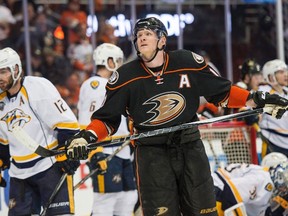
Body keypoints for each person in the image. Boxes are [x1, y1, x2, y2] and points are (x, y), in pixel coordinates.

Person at [64, 17, 288, 216]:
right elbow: (106, 119)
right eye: (139, 35)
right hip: (151, 154)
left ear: (162, 40)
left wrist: (259, 100)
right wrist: (87, 137)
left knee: (203, 210)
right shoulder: (124, 77)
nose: (142, 38)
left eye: (148, 34)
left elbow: (223, 92)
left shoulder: (187, 62)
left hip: (190, 146)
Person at [0, 47, 94, 215]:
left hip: (49, 167)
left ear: (16, 69)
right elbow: (3, 142)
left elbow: (67, 125)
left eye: (2, 72)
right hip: (18, 174)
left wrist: (67, 154)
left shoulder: (37, 87)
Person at [77, 43, 138, 216]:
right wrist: (95, 152)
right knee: (105, 200)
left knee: (128, 197)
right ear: (108, 61)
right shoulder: (95, 84)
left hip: (123, 150)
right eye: (117, 60)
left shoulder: (113, 85)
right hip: (106, 150)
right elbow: (86, 121)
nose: (120, 64)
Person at [212, 152, 288, 216]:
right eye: (284, 174)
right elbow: (230, 193)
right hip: (214, 191)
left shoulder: (264, 187)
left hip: (217, 193)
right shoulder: (264, 177)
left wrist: (280, 208)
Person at [259, 59, 288, 157]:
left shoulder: (287, 92)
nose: (286, 74)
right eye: (281, 72)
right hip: (272, 143)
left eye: (285, 71)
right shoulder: (263, 92)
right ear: (271, 76)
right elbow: (246, 109)